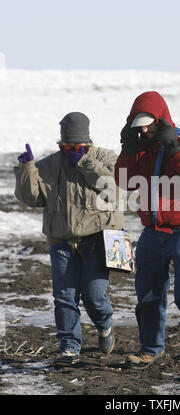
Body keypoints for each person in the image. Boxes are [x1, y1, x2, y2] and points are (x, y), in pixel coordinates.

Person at [114, 91, 180, 378]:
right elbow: (124, 182)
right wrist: (128, 148)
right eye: (138, 125)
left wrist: (174, 148)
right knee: (147, 294)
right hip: (152, 231)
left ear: (160, 118)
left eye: (147, 123)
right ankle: (151, 349)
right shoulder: (141, 144)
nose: (144, 129)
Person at [14, 112, 123, 367]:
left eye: (77, 147)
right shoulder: (51, 164)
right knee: (64, 297)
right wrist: (27, 170)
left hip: (96, 239)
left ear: (87, 142)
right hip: (61, 241)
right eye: (66, 146)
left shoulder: (106, 159)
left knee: (94, 296)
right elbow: (32, 198)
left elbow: (114, 188)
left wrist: (85, 163)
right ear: (60, 143)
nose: (71, 151)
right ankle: (69, 346)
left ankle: (105, 324)